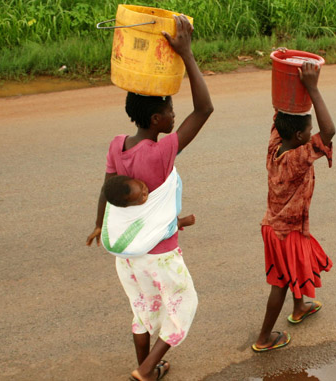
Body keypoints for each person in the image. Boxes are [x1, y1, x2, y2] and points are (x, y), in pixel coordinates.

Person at [86, 15, 213, 381]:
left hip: (128, 256)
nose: (175, 114)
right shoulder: (160, 153)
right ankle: (144, 370)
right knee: (182, 306)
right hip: (159, 253)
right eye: (170, 110)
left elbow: (105, 189)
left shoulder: (117, 146)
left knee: (143, 308)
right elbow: (204, 109)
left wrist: (99, 224)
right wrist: (187, 55)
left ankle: (151, 365)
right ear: (158, 119)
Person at [252, 59, 336, 352]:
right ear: (301, 137)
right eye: (308, 130)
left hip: (276, 226)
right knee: (281, 281)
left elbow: (281, 112)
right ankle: (264, 337)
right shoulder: (298, 158)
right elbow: (329, 132)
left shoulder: (276, 143)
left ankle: (299, 307)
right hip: (284, 232)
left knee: (295, 267)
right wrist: (312, 88)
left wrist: (292, 81)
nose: (312, 132)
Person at [103, 174, 196, 231]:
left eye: (141, 185)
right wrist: (180, 223)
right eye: (141, 196)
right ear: (131, 205)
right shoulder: (141, 215)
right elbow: (159, 230)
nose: (145, 191)